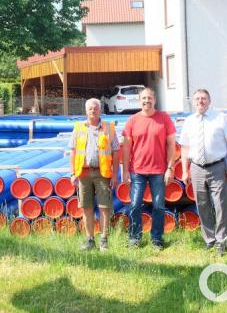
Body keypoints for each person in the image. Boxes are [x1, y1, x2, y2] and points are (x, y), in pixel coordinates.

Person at [180, 89, 227, 256]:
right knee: (202, 204)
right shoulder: (189, 121)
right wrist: (184, 170)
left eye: (204, 98)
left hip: (217, 167)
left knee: (220, 204)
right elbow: (184, 147)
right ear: (193, 102)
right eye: (197, 99)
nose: (200, 101)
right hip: (196, 167)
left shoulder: (219, 118)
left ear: (209, 101)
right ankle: (209, 239)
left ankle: (222, 240)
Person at [122, 87, 176, 249]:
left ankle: (157, 238)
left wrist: (170, 168)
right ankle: (134, 238)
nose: (147, 101)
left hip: (159, 171)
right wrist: (125, 171)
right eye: (144, 98)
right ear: (140, 100)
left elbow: (171, 145)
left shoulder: (164, 118)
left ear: (155, 100)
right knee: (135, 205)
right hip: (137, 171)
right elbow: (126, 148)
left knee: (159, 206)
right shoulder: (132, 120)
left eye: (150, 98)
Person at [68, 98, 120, 251]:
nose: (93, 111)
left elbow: (116, 152)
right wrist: (72, 174)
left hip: (103, 173)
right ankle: (90, 239)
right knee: (86, 207)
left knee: (104, 207)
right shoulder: (78, 127)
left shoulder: (109, 128)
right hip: (83, 174)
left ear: (100, 110)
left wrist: (115, 174)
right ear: (86, 111)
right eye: (90, 108)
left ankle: (103, 240)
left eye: (96, 108)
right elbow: (73, 152)